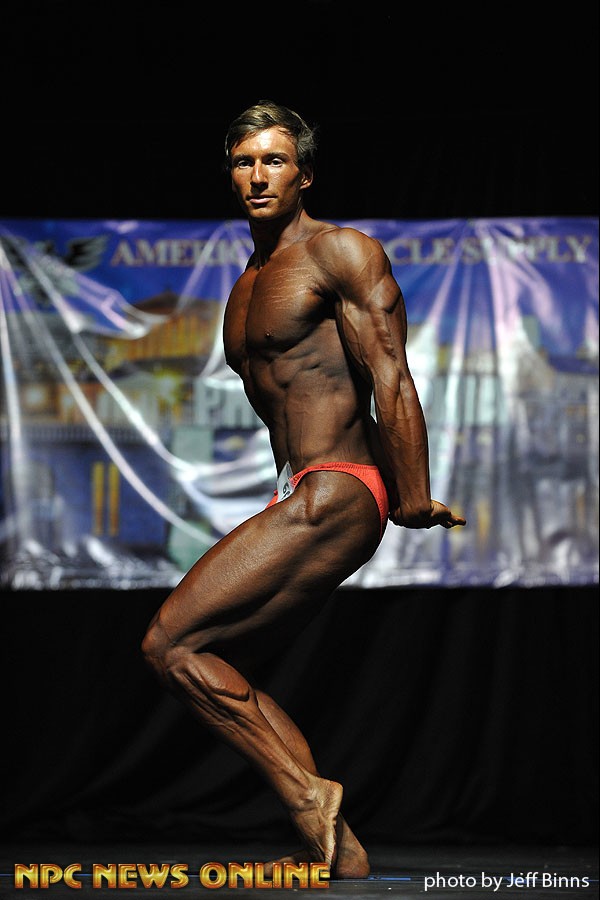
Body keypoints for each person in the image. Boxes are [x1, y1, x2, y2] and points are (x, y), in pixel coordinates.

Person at [142, 100, 466, 879]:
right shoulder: (245, 286)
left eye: (275, 161)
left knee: (168, 642)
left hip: (341, 483)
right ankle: (338, 845)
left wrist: (414, 493)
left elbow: (390, 372)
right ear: (231, 174)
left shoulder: (339, 252)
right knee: (199, 655)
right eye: (244, 162)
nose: (258, 175)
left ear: (304, 175)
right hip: (300, 487)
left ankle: (308, 795)